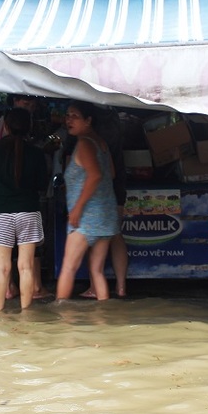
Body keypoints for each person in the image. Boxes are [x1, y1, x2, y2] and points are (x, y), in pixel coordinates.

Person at [0, 107, 48, 311]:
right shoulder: (37, 153)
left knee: (1, 268)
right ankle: (26, 314)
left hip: (1, 213)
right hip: (28, 212)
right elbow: (42, 185)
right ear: (29, 128)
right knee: (26, 267)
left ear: (7, 126)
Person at [55, 100, 119, 301]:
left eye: (75, 116)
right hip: (106, 216)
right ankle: (103, 321)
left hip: (86, 219)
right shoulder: (101, 143)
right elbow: (112, 173)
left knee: (68, 268)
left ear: (88, 120)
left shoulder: (84, 144)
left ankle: (61, 320)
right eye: (67, 116)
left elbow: (95, 175)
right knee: (97, 271)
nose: (69, 120)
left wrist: (77, 209)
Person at [79, 107, 128, 299]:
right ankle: (121, 287)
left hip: (99, 195)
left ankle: (94, 287)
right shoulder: (115, 132)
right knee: (116, 236)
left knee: (94, 240)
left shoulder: (92, 139)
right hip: (117, 190)